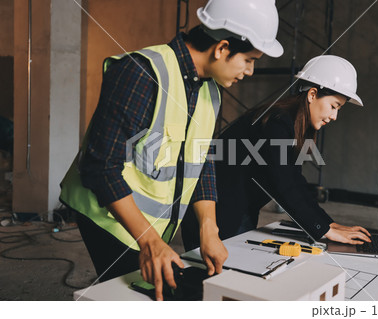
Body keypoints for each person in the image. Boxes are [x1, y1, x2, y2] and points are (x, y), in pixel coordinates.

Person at [59, 0, 283, 301]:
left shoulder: (211, 91)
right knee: (141, 296)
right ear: (222, 48)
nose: (251, 71)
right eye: (249, 60)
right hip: (106, 214)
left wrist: (209, 227)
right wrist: (149, 241)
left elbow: (200, 160)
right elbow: (101, 167)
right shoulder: (141, 73)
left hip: (150, 225)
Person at [181, 55, 372, 252]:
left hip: (237, 210)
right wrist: (322, 229)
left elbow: (295, 181)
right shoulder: (276, 123)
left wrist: (327, 224)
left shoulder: (293, 124)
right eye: (334, 106)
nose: (334, 116)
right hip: (215, 216)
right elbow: (284, 184)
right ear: (312, 94)